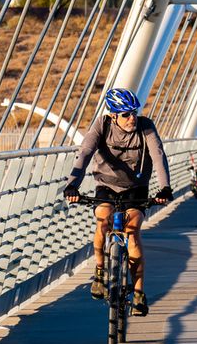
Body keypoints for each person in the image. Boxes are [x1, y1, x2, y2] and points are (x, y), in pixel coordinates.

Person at [64, 87, 173, 315]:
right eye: (125, 114)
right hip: (106, 184)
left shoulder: (145, 126)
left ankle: (139, 293)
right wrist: (72, 185)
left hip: (136, 188)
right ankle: (100, 271)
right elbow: (84, 153)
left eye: (133, 112)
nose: (131, 117)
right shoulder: (102, 126)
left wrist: (165, 187)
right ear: (113, 115)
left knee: (132, 231)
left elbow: (158, 156)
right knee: (103, 219)